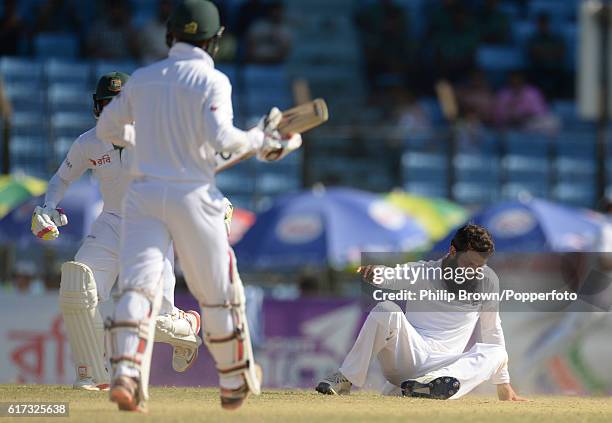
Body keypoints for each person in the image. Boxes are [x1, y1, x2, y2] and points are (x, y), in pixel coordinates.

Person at [95, 0, 301, 412]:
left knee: (138, 286)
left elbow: (106, 128)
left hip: (143, 195)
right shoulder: (213, 80)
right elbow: (224, 139)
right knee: (219, 292)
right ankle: (232, 383)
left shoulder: (142, 79)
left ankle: (126, 374)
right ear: (214, 40)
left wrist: (146, 142)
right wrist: (262, 140)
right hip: (192, 194)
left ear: (170, 34)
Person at [31, 72, 202, 392]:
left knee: (153, 319)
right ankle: (93, 373)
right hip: (110, 222)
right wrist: (48, 207)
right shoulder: (89, 142)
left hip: (153, 227)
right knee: (77, 287)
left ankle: (187, 327)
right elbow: (61, 179)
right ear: (98, 108)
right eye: (106, 105)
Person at [316, 224, 527, 401]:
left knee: (497, 352)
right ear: (453, 251)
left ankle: (425, 387)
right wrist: (376, 274)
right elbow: (392, 275)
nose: (473, 272)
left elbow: (492, 330)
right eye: (469, 264)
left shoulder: (488, 281)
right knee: (386, 309)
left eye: (479, 267)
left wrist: (504, 386)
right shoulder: (423, 271)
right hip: (409, 357)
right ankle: (345, 378)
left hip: (448, 370)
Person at [494, 71, 559, 134]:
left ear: (522, 81)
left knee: (553, 122)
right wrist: (511, 115)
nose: (515, 82)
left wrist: (524, 114)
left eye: (518, 80)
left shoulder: (532, 92)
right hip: (510, 124)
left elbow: (540, 111)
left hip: (529, 122)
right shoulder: (503, 94)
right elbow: (498, 114)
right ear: (509, 81)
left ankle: (548, 144)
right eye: (513, 80)